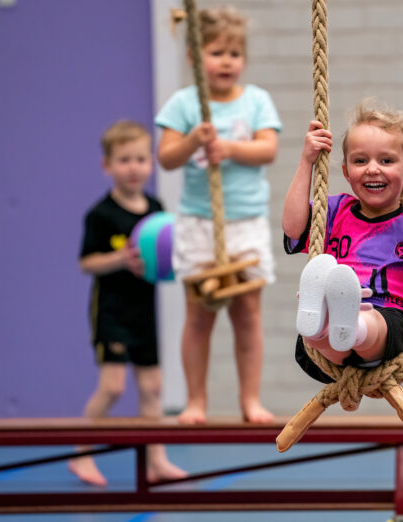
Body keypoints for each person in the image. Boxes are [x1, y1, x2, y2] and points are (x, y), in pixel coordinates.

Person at [156, 6, 280, 424]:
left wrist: (228, 149)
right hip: (200, 222)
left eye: (234, 53)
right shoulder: (185, 104)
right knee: (199, 314)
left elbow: (268, 148)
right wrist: (194, 139)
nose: (227, 61)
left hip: (245, 222)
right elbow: (167, 158)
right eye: (216, 52)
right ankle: (195, 401)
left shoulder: (256, 100)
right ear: (194, 56)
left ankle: (250, 399)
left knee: (247, 312)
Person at [282, 102, 403, 379]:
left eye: (386, 160)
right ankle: (324, 325)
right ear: (346, 172)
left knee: (373, 323)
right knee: (319, 336)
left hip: (390, 322)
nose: (372, 169)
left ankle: (351, 325)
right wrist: (307, 161)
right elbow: (293, 228)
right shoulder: (334, 211)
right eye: (360, 160)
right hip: (329, 345)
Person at [70, 121, 187, 486]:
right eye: (124, 160)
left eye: (140, 159)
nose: (133, 167)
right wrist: (120, 259)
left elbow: (164, 251)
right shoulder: (101, 214)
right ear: (107, 165)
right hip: (112, 313)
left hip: (143, 312)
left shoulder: (156, 206)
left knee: (152, 388)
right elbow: (86, 262)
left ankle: (157, 459)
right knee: (113, 387)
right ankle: (81, 454)